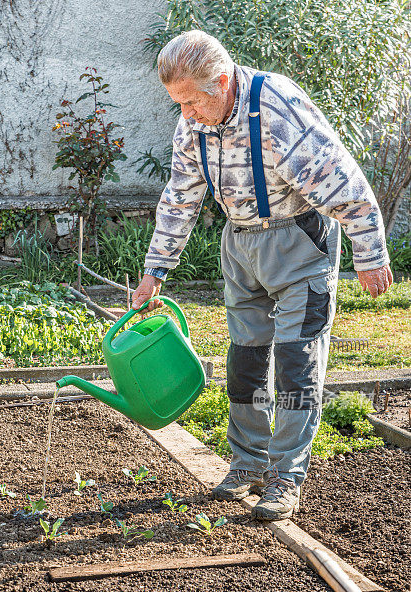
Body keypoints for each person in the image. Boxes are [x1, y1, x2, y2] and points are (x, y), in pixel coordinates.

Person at [131, 30, 393, 520]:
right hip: (241, 244)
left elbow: (338, 174)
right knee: (246, 360)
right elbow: (179, 197)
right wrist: (155, 271)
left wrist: (369, 249)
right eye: (178, 103)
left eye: (190, 102)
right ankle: (248, 462)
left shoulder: (276, 105)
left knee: (297, 361)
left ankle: (286, 474)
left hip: (299, 242)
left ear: (223, 83)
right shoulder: (192, 126)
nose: (185, 114)